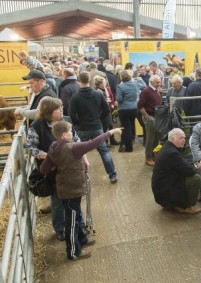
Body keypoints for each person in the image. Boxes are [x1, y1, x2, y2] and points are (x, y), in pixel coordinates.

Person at [40, 121, 122, 260]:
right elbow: (94, 143)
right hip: (71, 189)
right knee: (71, 221)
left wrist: (57, 168)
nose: (72, 133)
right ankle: (73, 252)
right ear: (65, 134)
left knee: (76, 215)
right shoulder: (73, 147)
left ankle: (82, 239)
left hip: (65, 188)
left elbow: (43, 169)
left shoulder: (53, 147)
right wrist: (112, 132)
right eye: (70, 131)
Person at [24, 97, 77, 241]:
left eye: (61, 107)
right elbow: (30, 147)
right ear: (48, 112)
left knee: (73, 197)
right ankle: (60, 228)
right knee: (57, 199)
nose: (62, 110)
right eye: (58, 109)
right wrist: (47, 156)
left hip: (70, 167)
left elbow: (76, 139)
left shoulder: (66, 121)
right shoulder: (37, 126)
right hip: (52, 170)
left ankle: (75, 225)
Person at [69, 71, 118, 183]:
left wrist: (77, 123)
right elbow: (106, 110)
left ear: (78, 80)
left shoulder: (75, 97)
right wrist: (99, 119)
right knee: (104, 152)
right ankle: (112, 175)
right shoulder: (98, 94)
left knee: (79, 153)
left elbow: (71, 114)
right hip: (97, 127)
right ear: (90, 79)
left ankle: (80, 178)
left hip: (82, 128)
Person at [151, 128, 201, 214]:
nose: (184, 140)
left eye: (184, 138)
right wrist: (196, 167)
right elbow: (190, 171)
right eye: (181, 138)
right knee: (196, 178)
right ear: (173, 139)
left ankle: (173, 204)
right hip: (165, 193)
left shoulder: (167, 148)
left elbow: (182, 166)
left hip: (161, 192)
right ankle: (186, 206)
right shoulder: (172, 153)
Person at [137, 75, 162, 166]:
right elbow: (140, 105)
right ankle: (148, 158)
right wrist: (147, 117)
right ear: (151, 82)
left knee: (156, 138)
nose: (159, 84)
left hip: (156, 117)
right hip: (150, 117)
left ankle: (154, 156)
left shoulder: (156, 90)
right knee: (150, 139)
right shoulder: (146, 91)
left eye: (159, 82)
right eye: (157, 82)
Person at [116, 70, 141, 152]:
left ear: (121, 78)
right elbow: (144, 86)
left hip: (123, 109)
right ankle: (124, 144)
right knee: (130, 126)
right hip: (134, 108)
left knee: (126, 128)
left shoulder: (120, 87)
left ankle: (129, 148)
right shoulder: (136, 83)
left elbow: (119, 99)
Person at [93, 75, 119, 146]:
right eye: (104, 82)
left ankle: (112, 140)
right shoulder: (96, 91)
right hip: (102, 112)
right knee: (104, 127)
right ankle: (104, 142)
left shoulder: (106, 89)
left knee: (110, 125)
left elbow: (111, 96)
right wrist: (106, 101)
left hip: (108, 109)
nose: (105, 83)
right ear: (100, 83)